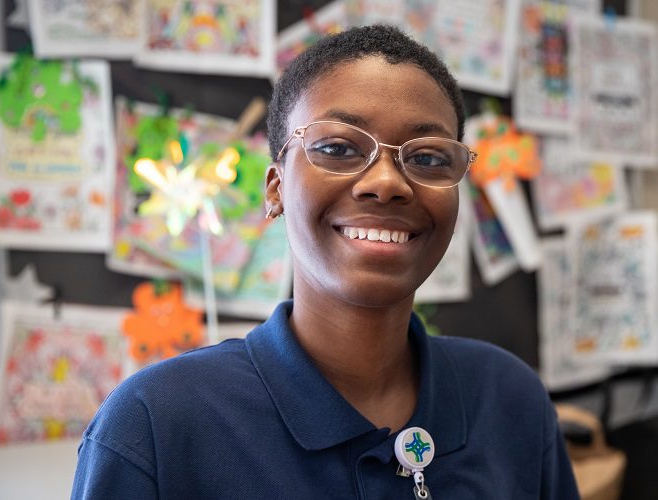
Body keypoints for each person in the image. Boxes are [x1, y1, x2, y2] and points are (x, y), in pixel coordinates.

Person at [71, 25, 579, 499]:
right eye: (337, 147)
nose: (386, 182)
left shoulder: (510, 401)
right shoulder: (155, 426)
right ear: (275, 189)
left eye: (427, 158)